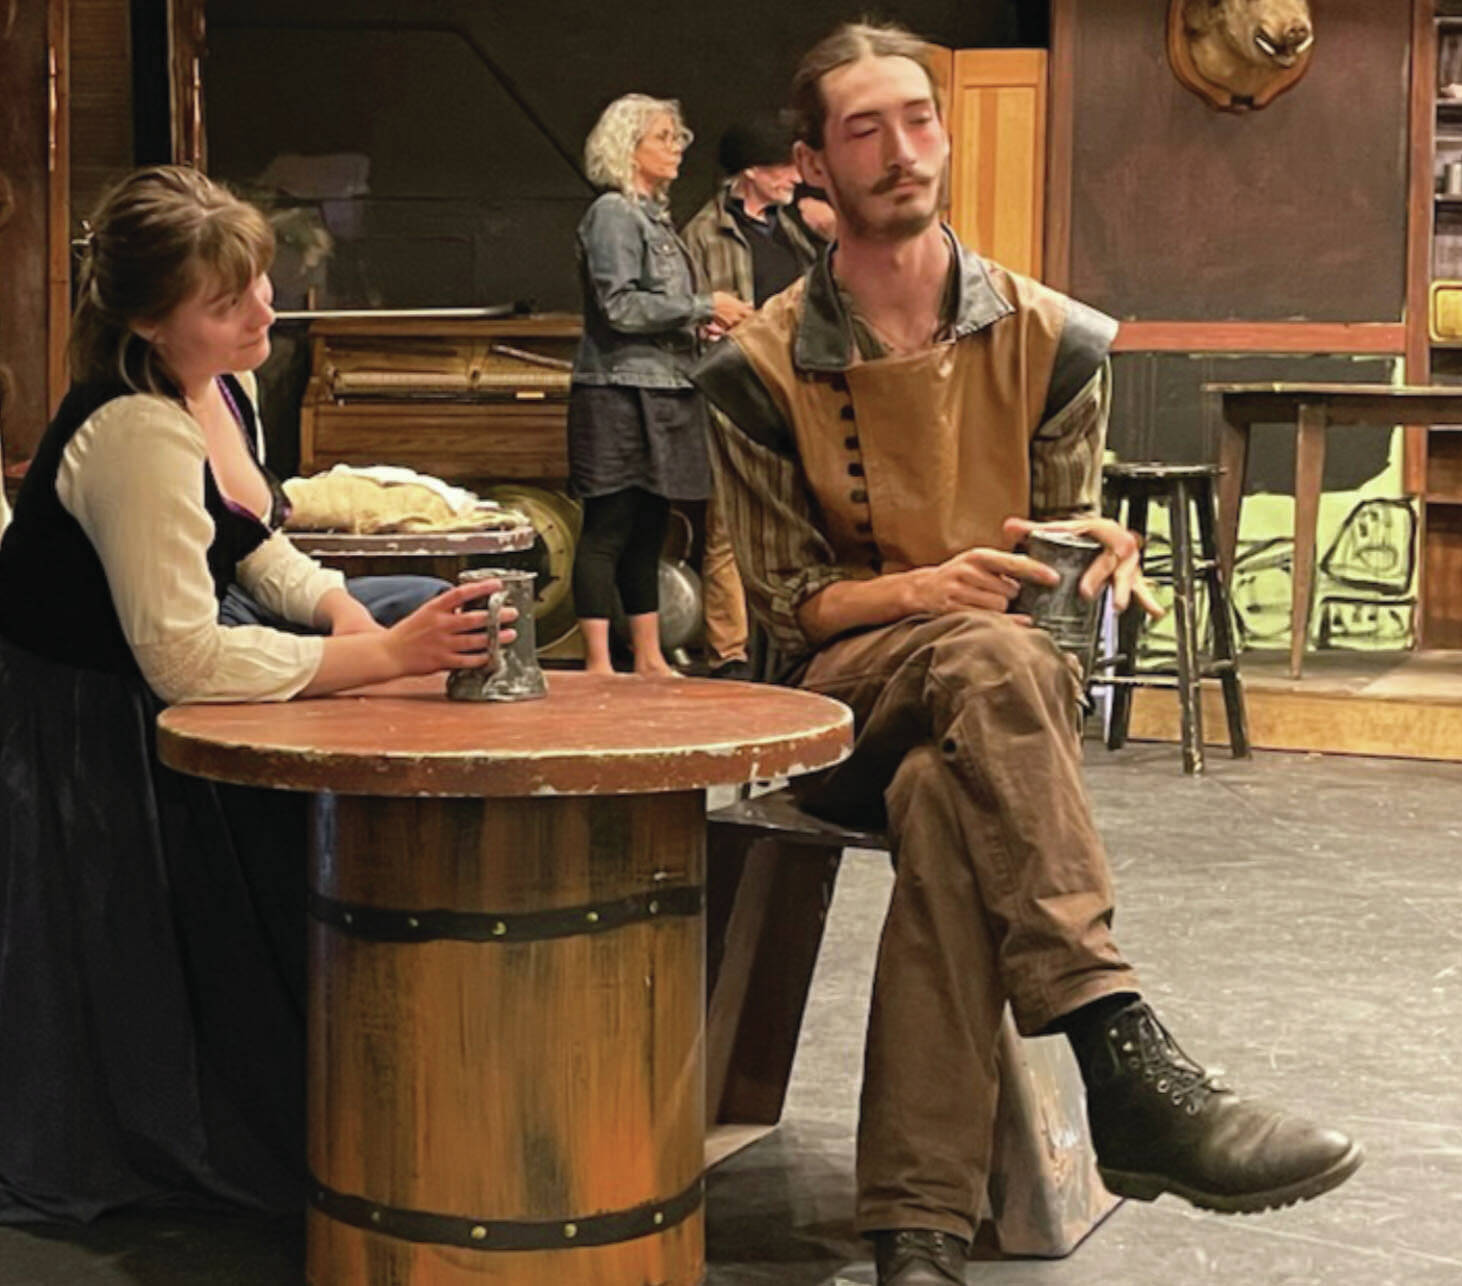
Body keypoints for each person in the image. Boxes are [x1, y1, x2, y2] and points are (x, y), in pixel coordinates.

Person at [690, 24, 1361, 1286]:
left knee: (957, 791)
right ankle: (1123, 1051)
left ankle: (919, 1238)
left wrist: (1086, 560)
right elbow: (786, 609)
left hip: (991, 714)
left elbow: (1048, 585)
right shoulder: (757, 364)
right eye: (864, 129)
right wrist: (932, 588)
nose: (901, 150)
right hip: (843, 702)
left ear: (945, 132)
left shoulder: (1058, 340)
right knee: (983, 665)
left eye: (917, 118)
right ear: (815, 163)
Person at [0, 166, 512, 1225]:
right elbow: (181, 655)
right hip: (88, 729)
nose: (263, 307)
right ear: (146, 320)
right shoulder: (134, 433)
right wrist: (385, 657)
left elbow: (250, 546)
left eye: (259, 279)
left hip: (145, 687)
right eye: (229, 299)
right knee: (151, 963)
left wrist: (348, 617)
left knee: (383, 616)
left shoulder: (216, 385)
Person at [568, 93, 752, 675]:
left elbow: (658, 306)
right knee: (609, 525)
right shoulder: (614, 214)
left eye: (679, 136)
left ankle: (648, 656)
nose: (676, 148)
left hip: (667, 388)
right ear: (629, 148)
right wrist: (702, 304)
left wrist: (704, 320)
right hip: (619, 392)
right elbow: (619, 307)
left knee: (651, 528)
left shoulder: (655, 219)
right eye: (664, 137)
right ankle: (598, 661)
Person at [682, 112, 825, 679]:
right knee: (728, 519)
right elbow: (690, 304)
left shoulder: (796, 226)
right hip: (740, 384)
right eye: (782, 168)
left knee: (807, 510)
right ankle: (730, 651)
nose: (794, 176)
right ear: (749, 172)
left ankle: (795, 636)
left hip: (799, 381)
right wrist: (706, 323)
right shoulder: (704, 231)